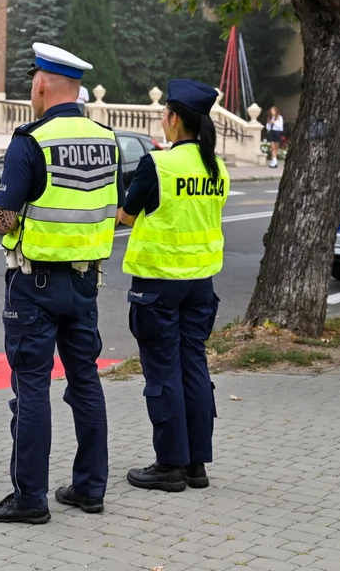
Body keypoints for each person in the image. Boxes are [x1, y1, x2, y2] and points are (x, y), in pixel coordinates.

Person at [0, 42, 120, 525]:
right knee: (86, 383)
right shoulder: (108, 139)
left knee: (32, 389)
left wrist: (7, 219)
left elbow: (2, 217)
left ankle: (29, 500)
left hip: (33, 285)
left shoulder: (30, 140)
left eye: (32, 83)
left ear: (41, 84)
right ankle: (90, 489)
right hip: (86, 284)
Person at [117, 79, 229, 493]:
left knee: (163, 372)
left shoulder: (158, 165)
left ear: (174, 118)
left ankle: (169, 466)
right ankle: (196, 464)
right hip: (201, 284)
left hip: (158, 286)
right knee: (194, 368)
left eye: (164, 114)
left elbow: (125, 217)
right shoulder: (217, 170)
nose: (162, 121)